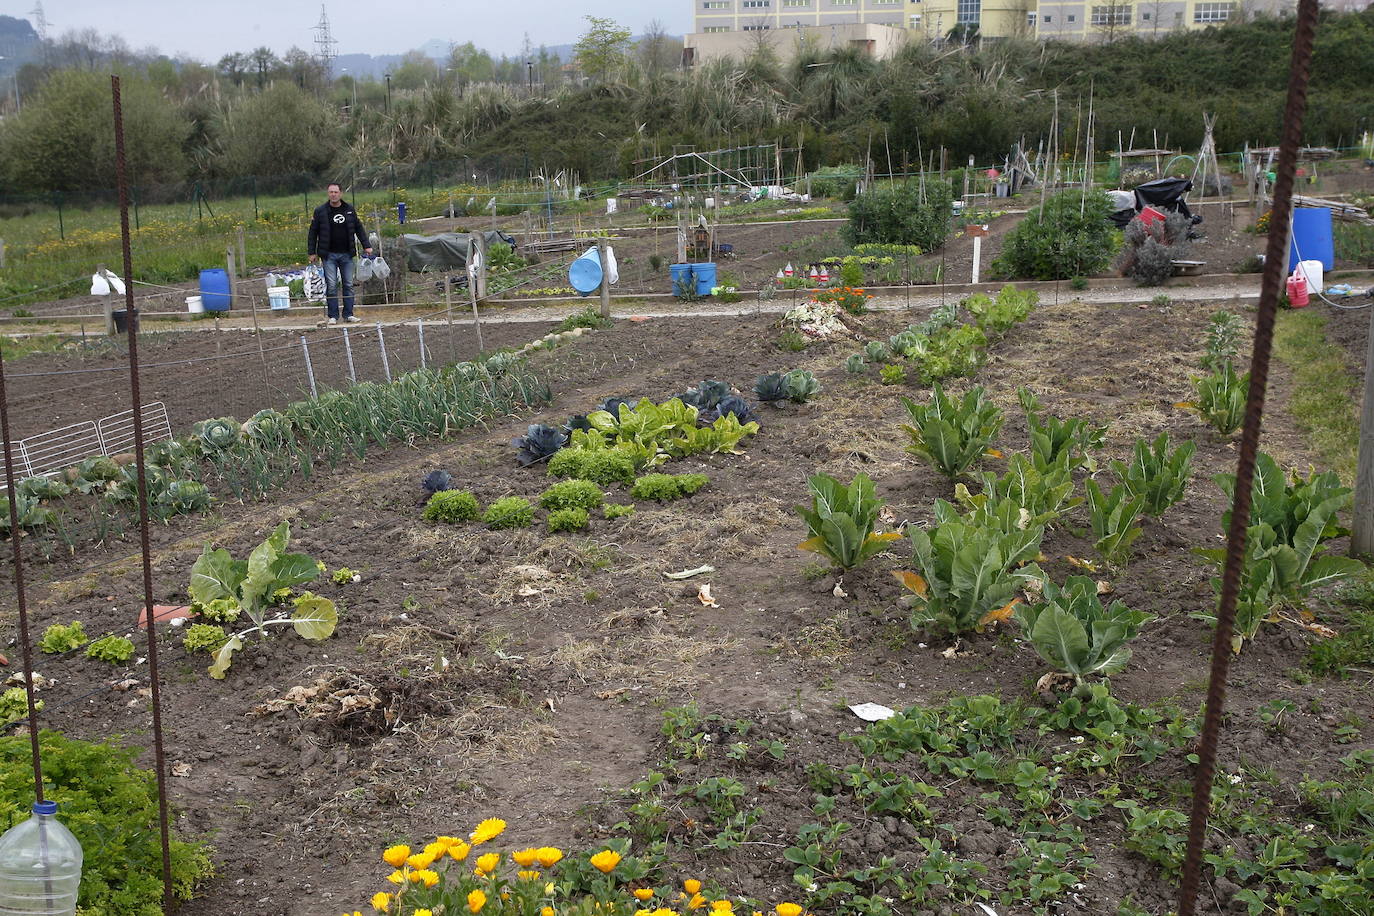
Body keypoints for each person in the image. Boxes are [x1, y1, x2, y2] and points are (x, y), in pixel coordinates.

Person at [306, 182, 373, 325]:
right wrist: (311, 252)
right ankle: (333, 316)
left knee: (348, 285)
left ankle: (348, 314)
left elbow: (359, 228)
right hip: (328, 255)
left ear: (341, 193)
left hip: (347, 254)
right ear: (328, 193)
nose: (333, 194)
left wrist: (366, 245)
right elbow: (313, 233)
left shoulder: (349, 210)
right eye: (331, 192)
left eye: (336, 192)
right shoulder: (320, 211)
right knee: (331, 285)